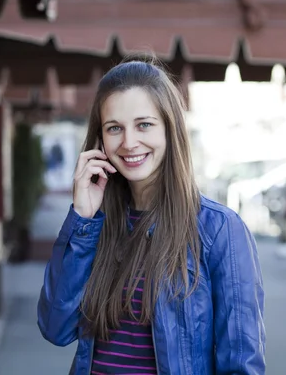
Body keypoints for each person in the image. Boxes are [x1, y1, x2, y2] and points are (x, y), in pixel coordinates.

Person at [37, 59, 266, 374]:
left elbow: (241, 365)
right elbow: (55, 328)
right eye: (114, 128)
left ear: (169, 129)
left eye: (144, 124)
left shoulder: (219, 230)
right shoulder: (93, 224)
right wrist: (81, 219)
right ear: (100, 140)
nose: (129, 142)